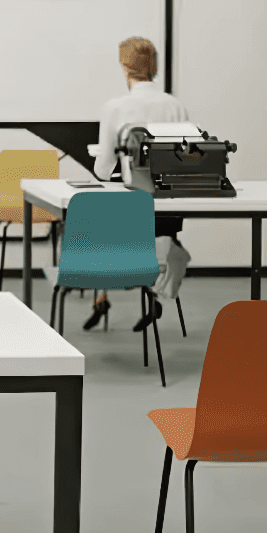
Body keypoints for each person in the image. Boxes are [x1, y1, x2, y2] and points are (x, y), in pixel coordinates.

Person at [86, 36, 192, 332]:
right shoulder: (175, 107)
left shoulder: (116, 107)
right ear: (154, 68)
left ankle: (102, 297)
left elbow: (104, 170)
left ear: (124, 68)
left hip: (129, 210)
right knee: (155, 235)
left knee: (95, 225)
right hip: (167, 211)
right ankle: (157, 282)